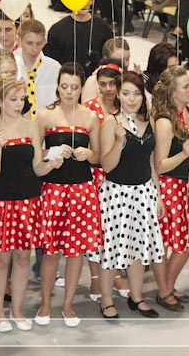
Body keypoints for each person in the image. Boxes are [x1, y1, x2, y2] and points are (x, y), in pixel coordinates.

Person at [0, 76, 62, 332]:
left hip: (29, 200)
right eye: (13, 99)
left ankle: (16, 310)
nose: (19, 104)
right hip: (2, 201)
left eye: (21, 99)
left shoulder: (32, 127)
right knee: (1, 259)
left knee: (24, 257)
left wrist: (51, 164)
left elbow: (37, 168)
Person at [36, 64, 102, 327]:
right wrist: (51, 154)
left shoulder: (90, 117)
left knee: (76, 253)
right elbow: (35, 156)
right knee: (51, 252)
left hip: (82, 191)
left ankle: (67, 305)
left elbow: (98, 156)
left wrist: (89, 154)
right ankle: (44, 303)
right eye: (64, 86)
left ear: (82, 87)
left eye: (74, 87)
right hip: (53, 190)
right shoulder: (45, 116)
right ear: (57, 86)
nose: (69, 92)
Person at [97, 71, 164, 318]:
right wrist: (118, 142)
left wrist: (158, 195)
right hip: (116, 195)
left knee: (139, 248)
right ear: (118, 95)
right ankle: (106, 300)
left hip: (143, 192)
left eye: (136, 93)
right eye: (126, 93)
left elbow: (152, 161)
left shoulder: (150, 120)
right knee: (111, 249)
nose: (131, 99)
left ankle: (137, 296)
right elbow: (106, 165)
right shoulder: (110, 123)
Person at [152, 65, 189, 309]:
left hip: (188, 186)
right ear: (173, 92)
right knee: (169, 242)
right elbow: (159, 165)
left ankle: (168, 287)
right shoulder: (164, 122)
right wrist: (183, 154)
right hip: (171, 187)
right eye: (185, 87)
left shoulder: (187, 111)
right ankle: (164, 291)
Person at [82, 62, 131, 302]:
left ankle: (116, 274)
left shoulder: (127, 106)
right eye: (103, 84)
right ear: (97, 85)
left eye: (113, 83)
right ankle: (94, 278)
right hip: (95, 176)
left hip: (122, 175)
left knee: (117, 228)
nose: (109, 89)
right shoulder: (88, 109)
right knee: (96, 229)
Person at [44, 0, 112, 76]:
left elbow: (110, 58)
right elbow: (51, 63)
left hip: (95, 79)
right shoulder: (56, 30)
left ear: (92, 0)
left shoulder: (103, 28)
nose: (82, 4)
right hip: (66, 80)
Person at [15, 19, 61, 118]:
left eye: (39, 43)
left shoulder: (55, 68)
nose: (34, 49)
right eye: (29, 43)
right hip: (19, 124)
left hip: (48, 123)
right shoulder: (12, 67)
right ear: (19, 41)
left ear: (44, 42)